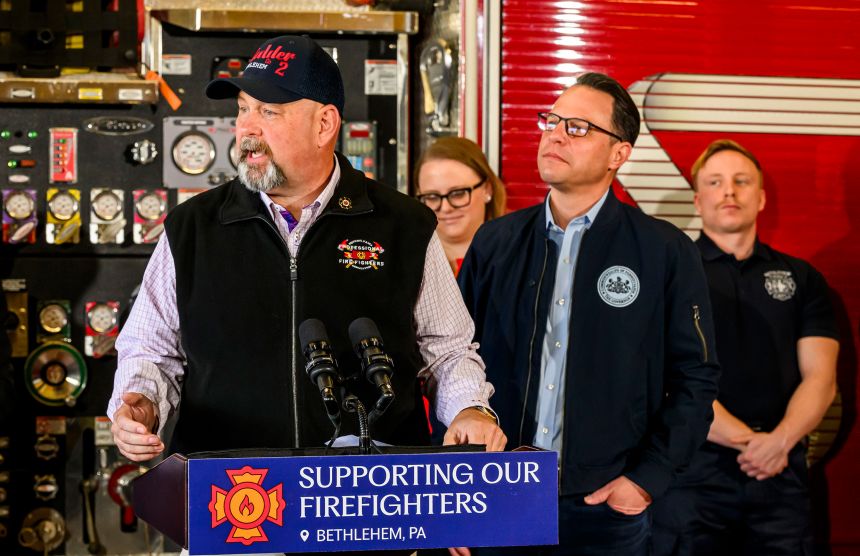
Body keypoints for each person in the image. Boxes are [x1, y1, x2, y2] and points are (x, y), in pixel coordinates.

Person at [107, 35, 506, 466]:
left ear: (324, 124)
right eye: (242, 109)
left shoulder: (404, 226)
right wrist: (141, 403)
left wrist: (471, 408)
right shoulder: (191, 228)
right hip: (231, 492)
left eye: (268, 111)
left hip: (367, 489)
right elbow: (150, 350)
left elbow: (446, 351)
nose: (247, 129)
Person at [458, 72, 720, 555]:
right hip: (495, 493)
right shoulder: (495, 243)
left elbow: (695, 377)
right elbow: (453, 359)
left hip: (604, 507)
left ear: (619, 153)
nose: (555, 135)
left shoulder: (664, 251)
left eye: (577, 127)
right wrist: (452, 488)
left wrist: (647, 479)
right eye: (552, 120)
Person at [651, 139, 839, 556]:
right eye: (715, 182)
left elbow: (821, 378)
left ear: (762, 197)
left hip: (780, 472)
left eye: (741, 181)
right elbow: (665, 376)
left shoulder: (802, 278)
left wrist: (779, 442)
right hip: (691, 474)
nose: (729, 192)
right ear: (697, 201)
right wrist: (749, 442)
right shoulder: (668, 275)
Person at [414, 137, 507, 276]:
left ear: (487, 189)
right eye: (432, 197)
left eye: (458, 194)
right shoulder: (405, 260)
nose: (446, 208)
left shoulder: (520, 253)